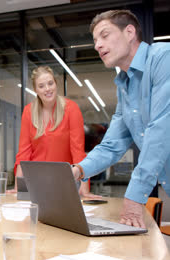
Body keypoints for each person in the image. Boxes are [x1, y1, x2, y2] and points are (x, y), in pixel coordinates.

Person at [72, 10, 170, 228]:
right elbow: (111, 146)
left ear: (129, 32)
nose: (97, 45)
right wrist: (78, 170)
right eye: (95, 40)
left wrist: (135, 196)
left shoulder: (164, 58)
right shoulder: (124, 86)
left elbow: (161, 131)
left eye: (104, 36)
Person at [10, 66, 100, 199]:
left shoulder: (71, 109)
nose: (47, 89)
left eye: (50, 83)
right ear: (36, 90)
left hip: (63, 181)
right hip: (35, 182)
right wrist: (18, 187)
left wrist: (84, 188)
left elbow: (78, 151)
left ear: (55, 84)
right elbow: (24, 153)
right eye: (41, 86)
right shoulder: (28, 111)